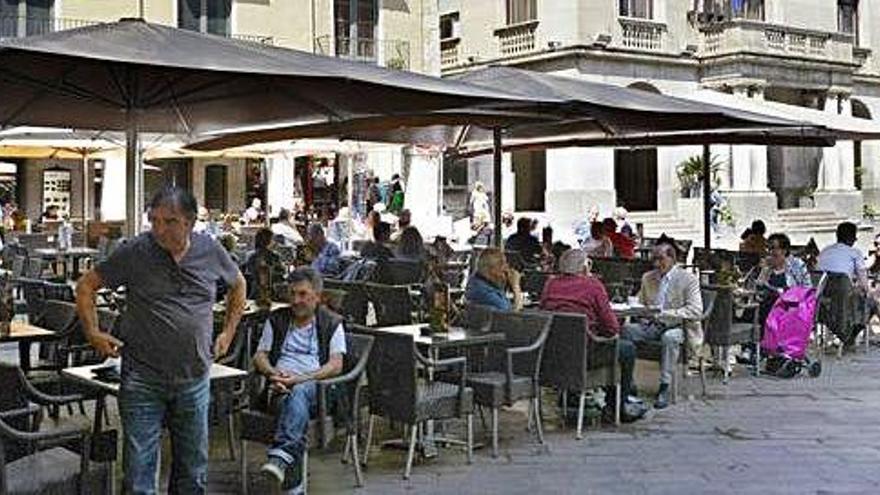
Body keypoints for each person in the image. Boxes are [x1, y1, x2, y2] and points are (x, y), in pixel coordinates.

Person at [75, 187, 247, 494]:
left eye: (169, 221)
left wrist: (229, 331)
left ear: (190, 222)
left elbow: (238, 285)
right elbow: (86, 285)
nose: (159, 229)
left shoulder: (210, 250)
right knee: (139, 474)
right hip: (142, 377)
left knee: (192, 471)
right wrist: (93, 332)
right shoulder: (135, 251)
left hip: (194, 377)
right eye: (153, 220)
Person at [255, 268, 346, 492]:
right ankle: (285, 468)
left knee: (299, 392)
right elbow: (260, 356)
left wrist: (300, 378)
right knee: (293, 404)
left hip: (319, 391)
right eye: (292, 294)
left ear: (317, 296)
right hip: (279, 387)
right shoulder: (276, 319)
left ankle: (281, 458)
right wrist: (273, 374)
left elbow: (335, 365)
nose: (296, 300)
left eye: (303, 294)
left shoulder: (332, 323)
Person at [539, 249, 640, 420]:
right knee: (627, 349)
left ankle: (571, 396)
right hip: (586, 355)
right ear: (585, 267)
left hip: (555, 355)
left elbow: (543, 311)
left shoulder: (550, 284)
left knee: (602, 345)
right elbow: (612, 328)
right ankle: (616, 407)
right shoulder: (593, 285)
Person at [622, 242, 703, 410]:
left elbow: (695, 310)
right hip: (652, 325)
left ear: (672, 259)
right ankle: (628, 382)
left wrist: (666, 313)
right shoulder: (648, 278)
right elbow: (642, 303)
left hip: (679, 326)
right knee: (626, 331)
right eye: (654, 260)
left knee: (669, 337)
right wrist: (639, 311)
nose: (657, 264)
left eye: (661, 259)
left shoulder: (688, 279)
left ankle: (664, 386)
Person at [818, 221, 869, 291]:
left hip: (822, 293)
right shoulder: (855, 253)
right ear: (851, 238)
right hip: (844, 294)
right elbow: (862, 277)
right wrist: (866, 292)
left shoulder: (825, 251)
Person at [243, 228, 288, 301]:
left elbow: (249, 273)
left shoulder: (251, 256)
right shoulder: (274, 256)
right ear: (269, 241)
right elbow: (282, 272)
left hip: (254, 293)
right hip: (272, 293)